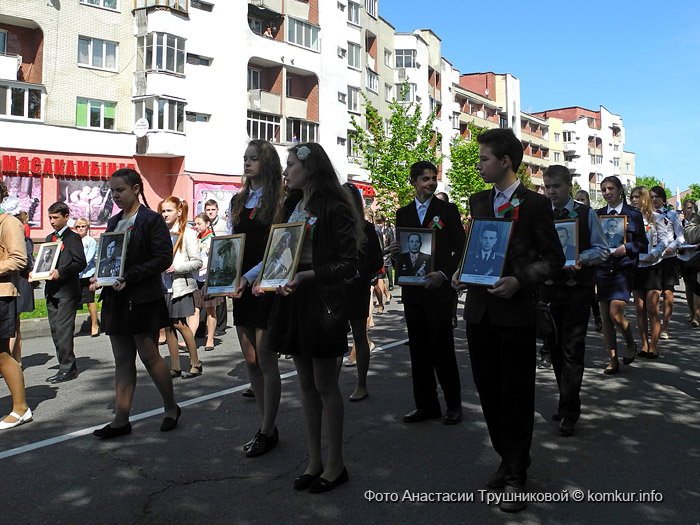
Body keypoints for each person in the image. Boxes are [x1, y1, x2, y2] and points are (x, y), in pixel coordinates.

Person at [452, 128, 563, 512]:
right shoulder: (478, 200)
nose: (479, 164)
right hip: (480, 312)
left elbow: (553, 258)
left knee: (515, 394)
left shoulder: (534, 204)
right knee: (488, 392)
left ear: (505, 161)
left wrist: (520, 280)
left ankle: (517, 472)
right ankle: (507, 457)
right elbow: (475, 245)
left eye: (484, 158)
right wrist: (461, 271)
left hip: (515, 314)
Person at [262, 142, 361, 491]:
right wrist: (269, 277)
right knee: (305, 384)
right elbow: (281, 251)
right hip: (293, 299)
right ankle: (314, 460)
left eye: (291, 165)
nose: (286, 171)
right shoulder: (292, 205)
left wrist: (308, 275)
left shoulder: (335, 207)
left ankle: (336, 463)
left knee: (325, 384)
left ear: (310, 168)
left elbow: (350, 264)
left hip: (322, 302)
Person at [90, 168, 180, 438]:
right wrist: (101, 278)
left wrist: (129, 276)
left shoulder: (152, 220)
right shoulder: (114, 222)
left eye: (120, 190)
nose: (115, 196)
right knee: (122, 360)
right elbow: (110, 258)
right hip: (116, 299)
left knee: (150, 357)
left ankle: (171, 407)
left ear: (136, 189)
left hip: (143, 299)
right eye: (113, 191)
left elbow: (163, 258)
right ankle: (120, 419)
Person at [391, 161, 465, 426]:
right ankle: (425, 404)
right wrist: (396, 253)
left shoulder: (447, 210)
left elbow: (460, 248)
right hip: (413, 292)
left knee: (442, 349)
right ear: (413, 181)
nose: (431, 183)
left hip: (439, 291)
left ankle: (454, 405)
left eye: (434, 178)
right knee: (418, 350)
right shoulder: (403, 213)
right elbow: (404, 251)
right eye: (425, 179)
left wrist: (444, 274)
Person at [541, 165, 608, 437]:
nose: (551, 192)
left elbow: (602, 249)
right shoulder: (543, 214)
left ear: (569, 186)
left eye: (556, 186)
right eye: (547, 187)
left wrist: (582, 259)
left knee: (572, 349)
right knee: (555, 348)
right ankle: (565, 400)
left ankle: (570, 411)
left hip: (577, 290)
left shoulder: (584, 212)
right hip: (550, 291)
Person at [228, 139, 285, 457]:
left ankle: (267, 428)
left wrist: (250, 277)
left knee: (266, 359)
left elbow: (279, 247)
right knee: (250, 360)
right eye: (245, 158)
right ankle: (267, 425)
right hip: (241, 288)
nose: (248, 164)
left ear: (268, 163)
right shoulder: (238, 200)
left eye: (254, 159)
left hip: (266, 286)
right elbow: (231, 244)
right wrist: (223, 277)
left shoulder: (280, 200)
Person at [30, 202, 87, 383]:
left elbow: (80, 263)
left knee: (63, 330)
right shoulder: (49, 238)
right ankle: (66, 363)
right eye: (50, 218)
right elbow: (45, 262)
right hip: (52, 290)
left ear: (66, 217)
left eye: (55, 217)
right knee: (55, 330)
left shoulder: (73, 238)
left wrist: (61, 272)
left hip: (67, 291)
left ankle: (67, 368)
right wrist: (36, 272)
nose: (52, 221)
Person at [595, 176, 647, 375]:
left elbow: (642, 243)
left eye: (610, 188)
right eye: (603, 190)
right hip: (603, 268)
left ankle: (630, 342)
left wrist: (626, 248)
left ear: (619, 190)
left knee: (616, 313)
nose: (607, 193)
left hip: (623, 269)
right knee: (606, 317)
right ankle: (613, 359)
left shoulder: (632, 214)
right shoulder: (598, 215)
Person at [341, 183, 383, 401]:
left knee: (359, 334)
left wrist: (358, 272)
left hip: (357, 287)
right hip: (335, 287)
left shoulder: (366, 229)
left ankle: (361, 383)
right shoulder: (332, 226)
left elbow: (377, 259)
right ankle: (330, 383)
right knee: (336, 335)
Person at [158, 197, 203, 379]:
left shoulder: (188, 233)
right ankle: (175, 366)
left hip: (180, 286)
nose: (165, 214)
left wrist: (176, 268)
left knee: (179, 323)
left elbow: (197, 262)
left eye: (169, 210)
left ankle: (195, 363)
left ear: (179, 211)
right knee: (168, 326)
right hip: (163, 286)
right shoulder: (160, 233)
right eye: (163, 211)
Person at [0, 181, 31, 431]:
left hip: (1, 294)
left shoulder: (9, 222)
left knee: (1, 353)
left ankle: (21, 409)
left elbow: (19, 258)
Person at [629, 186, 664, 359]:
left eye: (638, 196)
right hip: (636, 267)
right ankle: (644, 345)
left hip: (653, 266)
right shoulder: (629, 219)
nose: (634, 200)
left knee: (652, 307)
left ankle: (654, 345)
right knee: (639, 308)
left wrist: (654, 253)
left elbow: (664, 241)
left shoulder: (656, 217)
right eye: (632, 197)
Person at [649, 186, 684, 340]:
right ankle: (654, 325)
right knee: (654, 294)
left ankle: (665, 327)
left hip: (668, 258)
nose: (654, 199)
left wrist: (671, 247)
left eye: (657, 196)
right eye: (651, 197)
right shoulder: (647, 215)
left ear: (663, 198)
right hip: (652, 259)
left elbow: (680, 237)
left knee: (668, 293)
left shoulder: (671, 215)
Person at [191, 213, 224, 352]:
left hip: (209, 278)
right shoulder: (195, 239)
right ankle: (190, 338)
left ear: (207, 224)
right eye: (195, 224)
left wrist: (205, 266)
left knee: (210, 310)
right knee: (195, 309)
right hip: (196, 278)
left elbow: (217, 260)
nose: (196, 227)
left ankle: (210, 340)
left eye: (199, 224)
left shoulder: (212, 240)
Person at [575, 189, 603, 331]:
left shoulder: (589, 214)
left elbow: (599, 246)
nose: (579, 202)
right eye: (577, 199)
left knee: (592, 293)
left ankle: (597, 316)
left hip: (589, 263)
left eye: (582, 199)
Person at [205, 198, 228, 336]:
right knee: (207, 294)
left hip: (221, 261)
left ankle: (221, 326)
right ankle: (205, 325)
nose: (210, 212)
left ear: (217, 210)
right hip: (207, 262)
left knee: (220, 294)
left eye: (213, 209)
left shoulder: (223, 225)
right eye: (208, 210)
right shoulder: (203, 223)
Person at [75, 218, 100, 337]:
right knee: (73, 302)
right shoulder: (74, 240)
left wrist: (76, 266)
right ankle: (70, 327)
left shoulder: (90, 241)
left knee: (90, 301)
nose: (80, 229)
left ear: (87, 228)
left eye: (83, 226)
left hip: (87, 275)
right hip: (75, 275)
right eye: (78, 226)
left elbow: (88, 258)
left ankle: (94, 325)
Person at [678, 198, 699, 326]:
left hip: (696, 254)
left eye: (692, 208)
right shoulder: (681, 222)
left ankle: (697, 315)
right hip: (684, 256)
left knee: (697, 285)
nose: (690, 211)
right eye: (689, 208)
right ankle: (692, 311)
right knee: (688, 285)